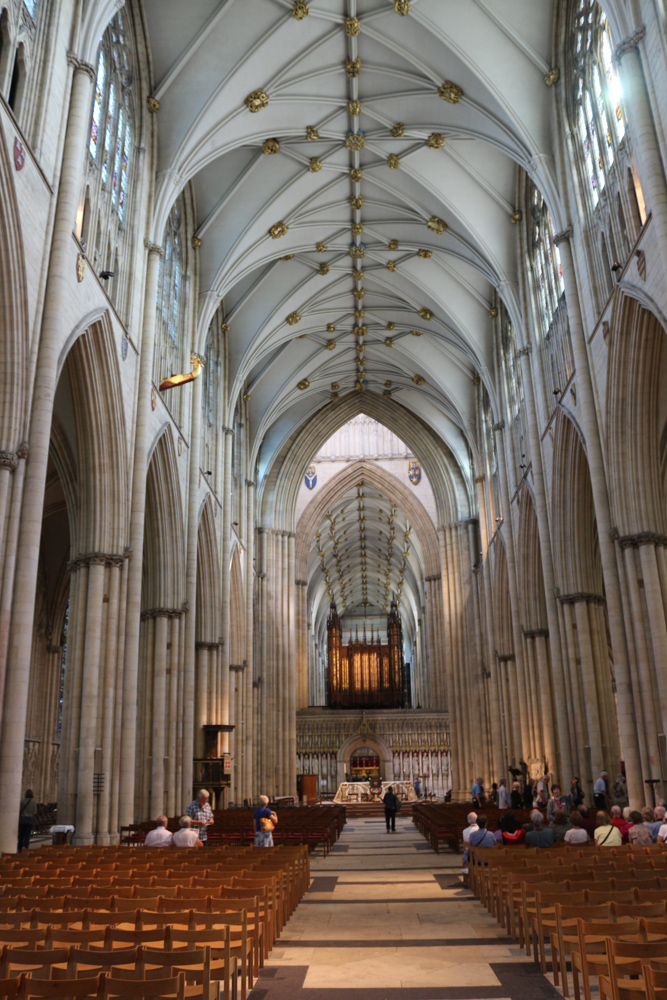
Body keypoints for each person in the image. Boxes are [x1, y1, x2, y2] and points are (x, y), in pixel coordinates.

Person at [17, 789, 37, 853]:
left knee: (21, 834)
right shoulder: (33, 801)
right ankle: (25, 848)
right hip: (29, 820)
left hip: (22, 819)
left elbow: (19, 809)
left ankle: (19, 847)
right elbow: (34, 812)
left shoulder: (22, 801)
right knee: (27, 835)